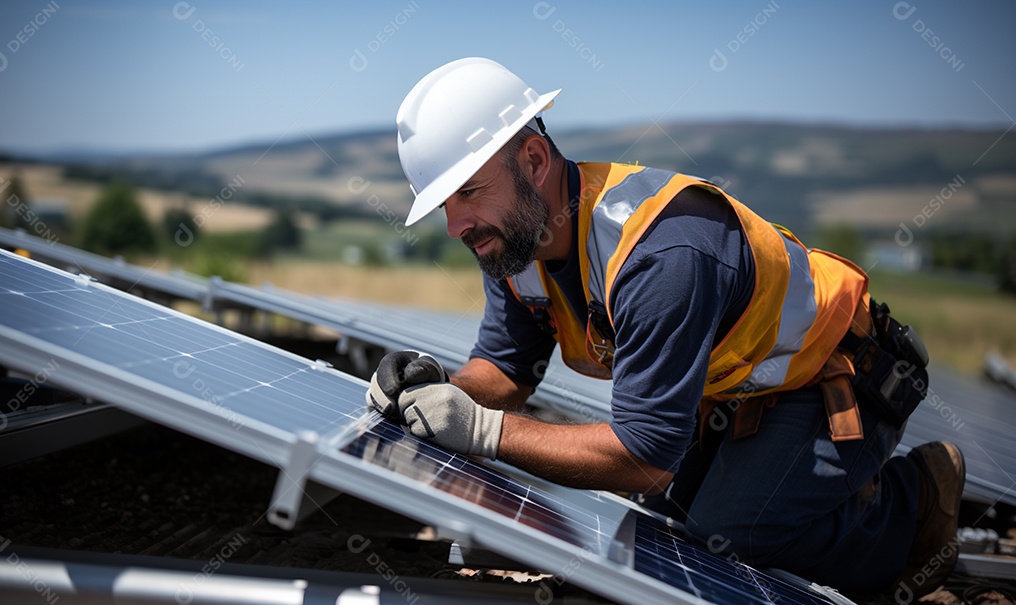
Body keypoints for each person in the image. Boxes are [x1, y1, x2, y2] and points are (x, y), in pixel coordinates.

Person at [366, 57, 964, 596]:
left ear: (534, 160)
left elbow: (646, 454)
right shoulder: (514, 242)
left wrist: (483, 432)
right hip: (740, 393)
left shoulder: (660, 251)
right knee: (665, 518)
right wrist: (436, 386)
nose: (456, 225)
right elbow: (505, 367)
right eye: (445, 203)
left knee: (727, 533)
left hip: (841, 377)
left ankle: (914, 500)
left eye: (469, 191)